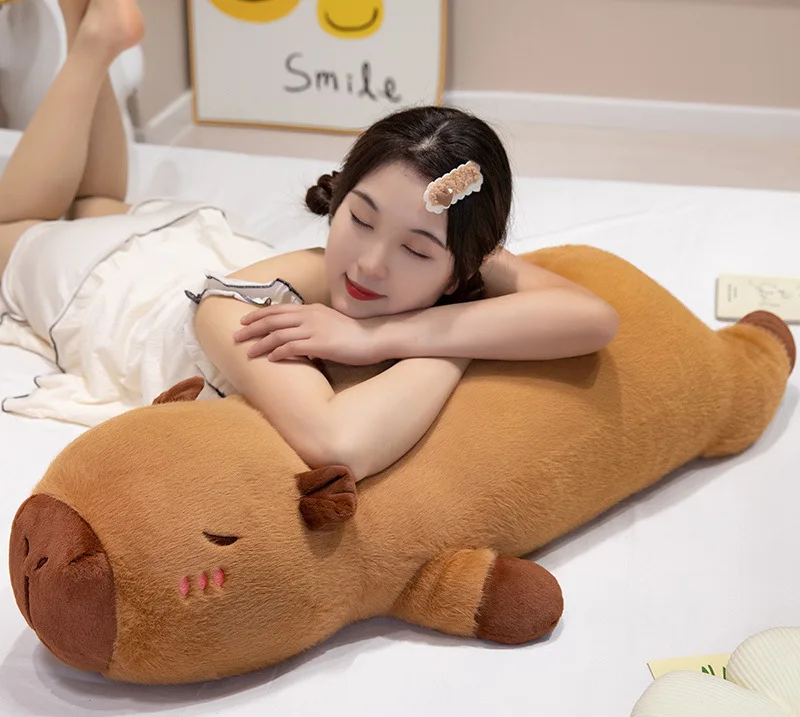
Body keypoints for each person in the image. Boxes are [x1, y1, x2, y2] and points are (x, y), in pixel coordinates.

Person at [0, 0, 619, 481]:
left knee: (98, 203)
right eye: (360, 219)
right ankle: (93, 46)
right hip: (109, 285)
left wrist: (386, 334)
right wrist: (456, 333)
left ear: (461, 271)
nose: (370, 264)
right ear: (340, 197)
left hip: (179, 240)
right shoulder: (243, 312)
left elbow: (593, 318)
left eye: (414, 250)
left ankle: (91, 27)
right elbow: (339, 443)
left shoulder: (451, 258)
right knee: (15, 227)